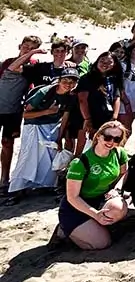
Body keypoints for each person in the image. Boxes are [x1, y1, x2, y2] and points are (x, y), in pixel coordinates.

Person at [7, 68, 80, 202]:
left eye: (72, 82)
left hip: (52, 127)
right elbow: (25, 114)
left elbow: (65, 117)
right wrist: (47, 111)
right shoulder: (44, 92)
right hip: (34, 126)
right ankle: (17, 189)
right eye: (65, 81)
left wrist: (59, 138)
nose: (68, 84)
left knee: (49, 158)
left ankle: (45, 185)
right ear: (59, 81)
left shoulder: (70, 97)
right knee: (28, 156)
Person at [56, 120, 130, 250]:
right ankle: (65, 231)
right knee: (102, 243)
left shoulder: (119, 153)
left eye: (117, 139)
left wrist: (117, 189)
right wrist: (95, 214)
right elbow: (72, 197)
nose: (111, 142)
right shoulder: (80, 162)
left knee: (119, 208)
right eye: (107, 137)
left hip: (100, 200)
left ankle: (97, 226)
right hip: (77, 207)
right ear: (98, 136)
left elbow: (124, 173)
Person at [0, 35, 43, 191]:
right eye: (26, 47)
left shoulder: (33, 67)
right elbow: (13, 67)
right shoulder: (6, 63)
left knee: (7, 143)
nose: (28, 50)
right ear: (20, 46)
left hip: (13, 112)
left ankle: (4, 178)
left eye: (32, 48)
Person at [76, 51, 125, 154]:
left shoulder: (113, 79)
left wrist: (114, 118)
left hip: (107, 117)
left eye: (109, 62)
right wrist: (88, 119)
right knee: (84, 146)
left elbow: (116, 97)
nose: (105, 64)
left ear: (114, 64)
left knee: (102, 145)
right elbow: (82, 100)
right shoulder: (87, 78)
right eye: (102, 61)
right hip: (89, 116)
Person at [118, 40, 135, 137]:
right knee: (123, 129)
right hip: (124, 100)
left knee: (128, 129)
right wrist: (125, 101)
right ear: (130, 51)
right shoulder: (123, 65)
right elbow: (119, 85)